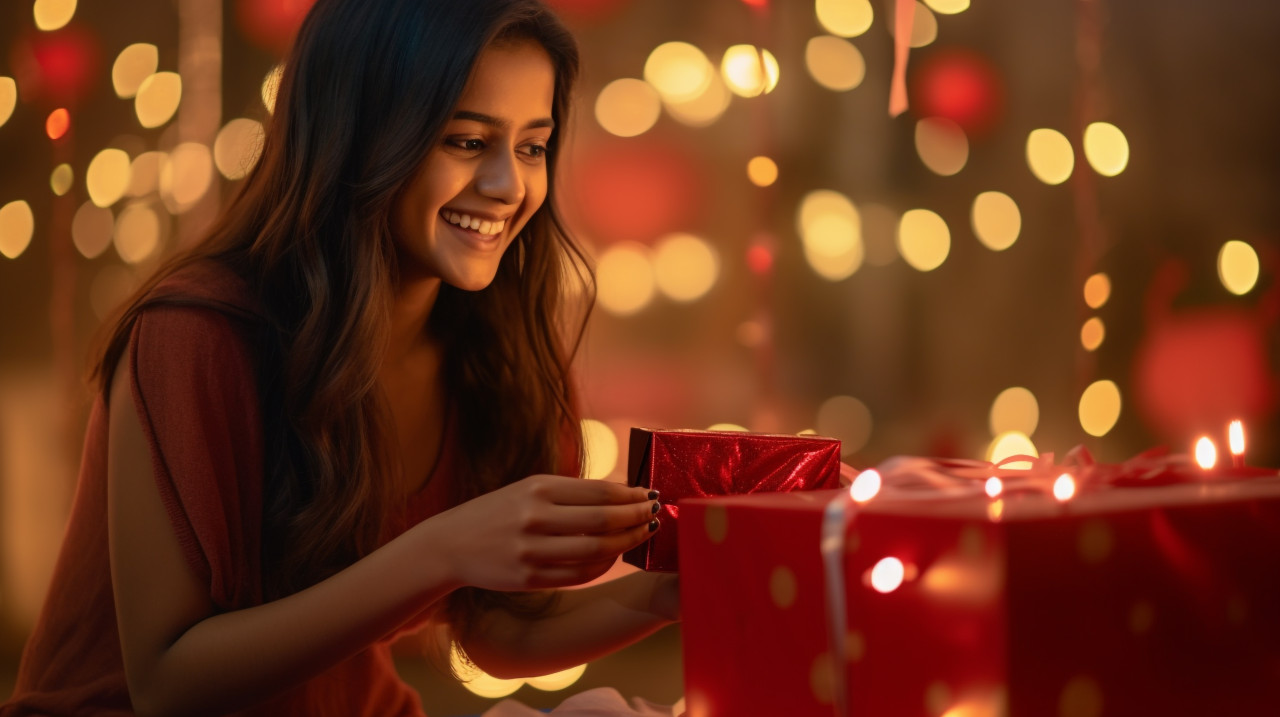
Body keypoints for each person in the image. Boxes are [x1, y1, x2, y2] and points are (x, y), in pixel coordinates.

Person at [1, 0, 680, 714]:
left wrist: (672, 592)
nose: (509, 186)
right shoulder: (194, 337)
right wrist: (444, 549)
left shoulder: (499, 350)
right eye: (466, 141)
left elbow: (499, 629)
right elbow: (168, 684)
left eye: (532, 147)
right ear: (357, 137)